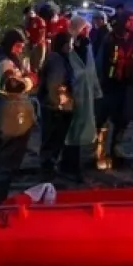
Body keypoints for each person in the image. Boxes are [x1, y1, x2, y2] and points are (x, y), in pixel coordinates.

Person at [0, 28, 38, 206]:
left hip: (3, 114)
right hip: (12, 118)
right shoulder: (4, 61)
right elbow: (13, 85)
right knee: (6, 163)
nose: (20, 50)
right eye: (18, 46)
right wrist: (31, 80)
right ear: (10, 44)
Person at [95, 7, 133, 169]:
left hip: (128, 84)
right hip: (110, 85)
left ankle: (116, 149)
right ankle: (98, 152)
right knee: (102, 118)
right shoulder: (110, 39)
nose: (131, 24)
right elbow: (100, 61)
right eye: (129, 20)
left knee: (123, 119)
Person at [62, 16, 104, 181]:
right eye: (84, 28)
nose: (87, 31)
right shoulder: (68, 46)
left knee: (81, 128)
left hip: (86, 93)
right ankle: (69, 164)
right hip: (73, 93)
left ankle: (75, 164)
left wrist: (96, 91)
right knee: (71, 129)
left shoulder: (87, 47)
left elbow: (91, 70)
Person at [38, 32, 76, 178]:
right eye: (70, 44)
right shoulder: (57, 60)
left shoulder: (58, 58)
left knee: (53, 139)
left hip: (57, 105)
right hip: (56, 107)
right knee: (53, 138)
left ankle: (50, 167)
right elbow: (55, 84)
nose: (71, 47)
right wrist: (59, 104)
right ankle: (48, 169)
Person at [26, 5, 49, 72]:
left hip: (39, 45)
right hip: (31, 44)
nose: (30, 14)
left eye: (31, 12)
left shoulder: (40, 20)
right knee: (32, 63)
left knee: (38, 63)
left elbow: (42, 34)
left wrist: (36, 43)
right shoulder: (29, 21)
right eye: (28, 13)